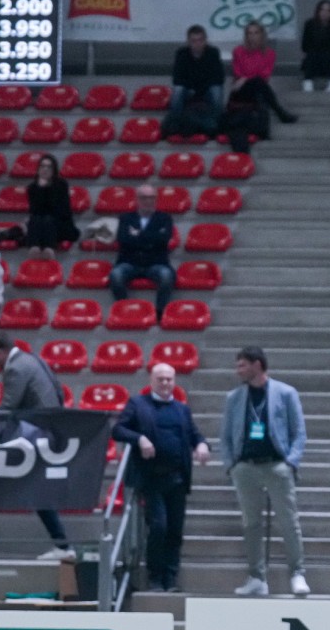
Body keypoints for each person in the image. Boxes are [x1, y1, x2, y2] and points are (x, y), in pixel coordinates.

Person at [219, 346, 309, 597]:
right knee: (251, 524)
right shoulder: (234, 397)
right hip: (245, 466)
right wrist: (231, 465)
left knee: (289, 521)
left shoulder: (286, 393)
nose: (238, 371)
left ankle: (297, 572)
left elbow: (299, 432)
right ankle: (257, 577)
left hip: (276, 464)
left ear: (257, 365)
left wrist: (290, 462)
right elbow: (225, 435)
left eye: (242, 365)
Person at [112, 363, 210, 592]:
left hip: (177, 479)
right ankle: (155, 577)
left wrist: (202, 445)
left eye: (169, 379)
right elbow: (118, 430)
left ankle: (171, 579)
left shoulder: (182, 409)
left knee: (175, 530)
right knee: (158, 527)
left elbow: (195, 435)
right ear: (151, 380)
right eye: (160, 379)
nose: (165, 383)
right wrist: (139, 439)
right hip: (151, 479)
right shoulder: (138, 404)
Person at [0, 330, 72, 559]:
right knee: (38, 489)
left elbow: (8, 406)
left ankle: (63, 545)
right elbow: (59, 392)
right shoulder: (33, 359)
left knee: (38, 490)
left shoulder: (15, 368)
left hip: (39, 433)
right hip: (50, 429)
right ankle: (62, 544)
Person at [109, 185, 176, 313]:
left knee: (166, 276)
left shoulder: (165, 218)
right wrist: (151, 238)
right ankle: (125, 309)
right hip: (129, 262)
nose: (148, 201)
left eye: (151, 197)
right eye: (144, 198)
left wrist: (137, 235)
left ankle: (159, 312)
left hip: (157, 262)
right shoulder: (125, 218)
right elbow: (123, 240)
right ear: (137, 199)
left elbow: (163, 240)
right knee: (115, 275)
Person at [231, 20, 297, 124]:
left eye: (256, 33)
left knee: (259, 85)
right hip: (241, 90)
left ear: (262, 35)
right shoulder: (238, 51)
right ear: (246, 36)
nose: (253, 36)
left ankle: (265, 121)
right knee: (258, 84)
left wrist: (246, 78)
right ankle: (279, 112)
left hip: (258, 88)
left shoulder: (269, 53)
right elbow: (237, 73)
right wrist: (247, 78)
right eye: (250, 33)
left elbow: (264, 75)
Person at [167, 25, 226, 135]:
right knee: (178, 90)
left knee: (217, 90)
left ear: (205, 40)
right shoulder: (181, 54)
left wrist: (199, 89)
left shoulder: (213, 52)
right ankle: (175, 123)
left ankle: (216, 123)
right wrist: (193, 88)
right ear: (188, 42)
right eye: (194, 41)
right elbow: (177, 79)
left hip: (206, 90)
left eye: (200, 40)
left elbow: (219, 78)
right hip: (188, 91)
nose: (197, 44)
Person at [25, 153, 78, 259]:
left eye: (49, 167)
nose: (45, 169)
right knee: (35, 219)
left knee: (47, 219)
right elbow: (34, 210)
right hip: (40, 224)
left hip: (60, 223)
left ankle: (49, 249)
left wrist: (46, 189)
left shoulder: (61, 185)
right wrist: (40, 189)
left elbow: (61, 210)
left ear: (54, 170)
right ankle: (34, 248)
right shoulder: (33, 187)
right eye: (42, 166)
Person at [300, 0, 330, 91]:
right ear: (318, 11)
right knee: (313, 53)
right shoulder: (309, 24)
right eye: (322, 10)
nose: (325, 13)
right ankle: (307, 81)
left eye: (328, 10)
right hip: (314, 57)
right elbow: (305, 46)